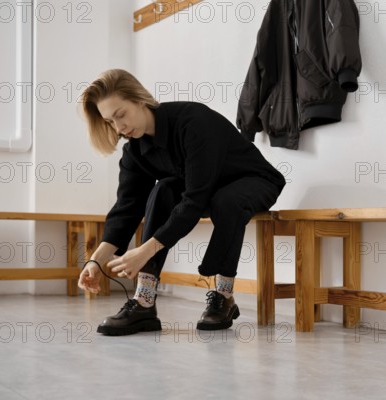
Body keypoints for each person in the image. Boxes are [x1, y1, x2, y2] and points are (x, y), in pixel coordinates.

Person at [77, 69, 286, 336]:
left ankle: (223, 296)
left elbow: (195, 199)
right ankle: (144, 301)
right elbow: (126, 209)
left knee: (227, 201)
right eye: (109, 121)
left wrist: (144, 251)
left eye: (120, 115)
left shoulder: (193, 122)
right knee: (163, 189)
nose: (119, 128)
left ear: (140, 100)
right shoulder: (134, 150)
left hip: (254, 180)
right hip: (206, 189)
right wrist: (94, 261)